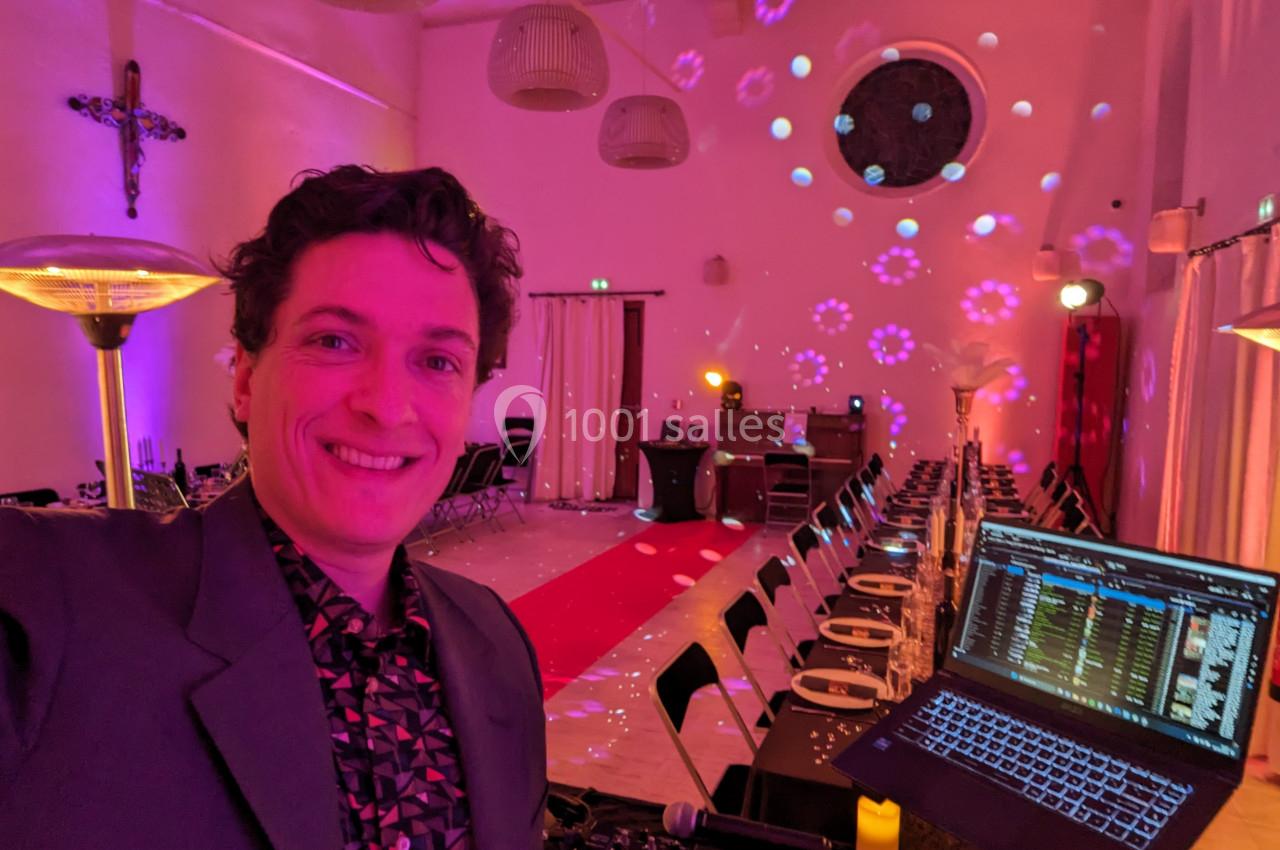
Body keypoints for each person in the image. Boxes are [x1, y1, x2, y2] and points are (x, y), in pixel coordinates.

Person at [0, 165, 545, 850]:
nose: (387, 406)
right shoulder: (49, 603)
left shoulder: (494, 639)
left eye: (437, 361)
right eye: (334, 341)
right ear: (246, 379)